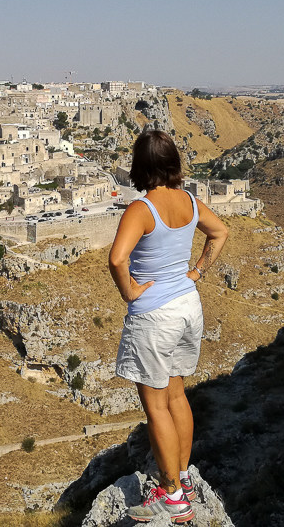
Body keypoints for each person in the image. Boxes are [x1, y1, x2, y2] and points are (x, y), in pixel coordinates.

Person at [108, 129, 229, 524]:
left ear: (139, 167)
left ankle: (173, 494)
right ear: (174, 163)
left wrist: (130, 291)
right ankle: (184, 480)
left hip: (155, 316)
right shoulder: (190, 201)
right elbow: (220, 232)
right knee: (177, 397)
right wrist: (197, 272)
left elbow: (116, 259)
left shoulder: (142, 209)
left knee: (155, 405)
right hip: (188, 308)